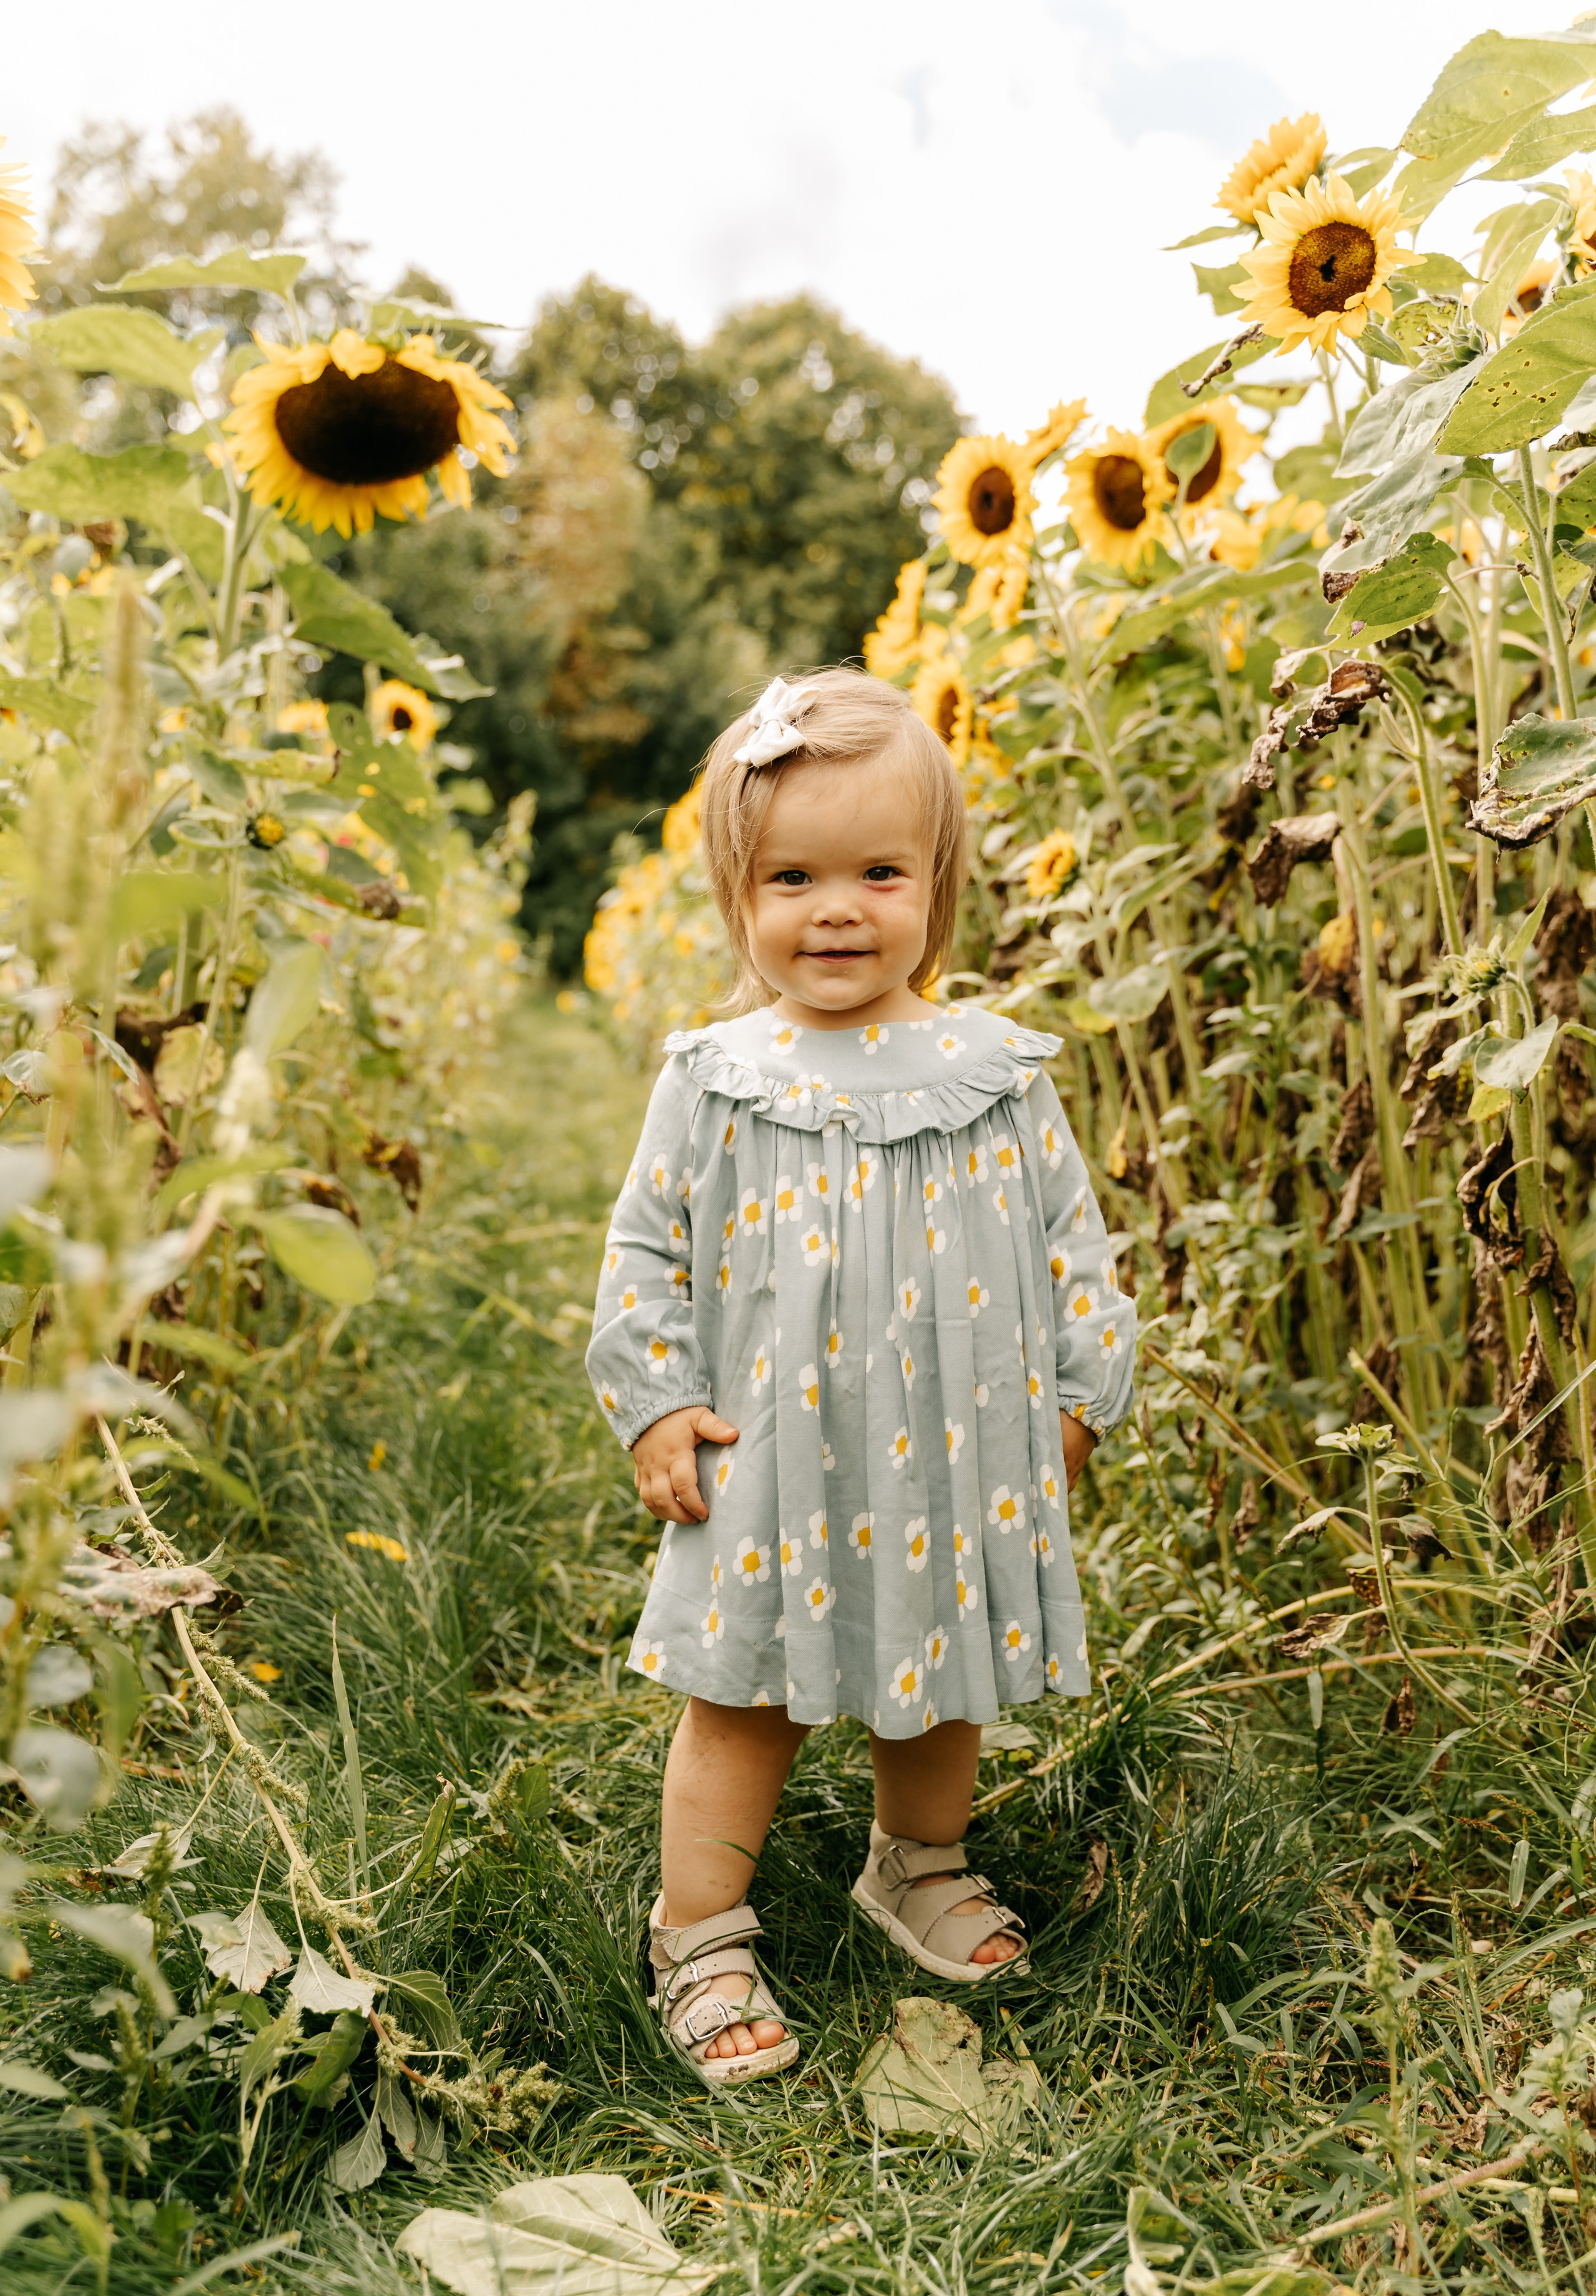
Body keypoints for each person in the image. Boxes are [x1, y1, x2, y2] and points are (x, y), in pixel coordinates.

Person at [587, 668, 1136, 2084]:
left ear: (937, 882)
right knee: (744, 1694)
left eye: (878, 873)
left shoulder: (993, 1070)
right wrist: (656, 1399)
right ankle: (698, 1928)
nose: (836, 910)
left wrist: (1081, 1393)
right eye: (793, 877)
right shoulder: (717, 1075)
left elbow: (1071, 1241)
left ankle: (916, 1861)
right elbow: (644, 1245)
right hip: (771, 1448)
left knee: (944, 1674)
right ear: (737, 891)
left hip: (956, 1446)